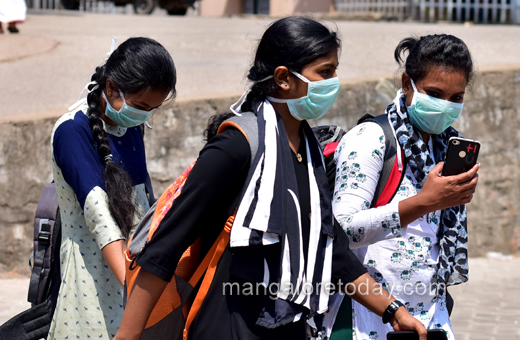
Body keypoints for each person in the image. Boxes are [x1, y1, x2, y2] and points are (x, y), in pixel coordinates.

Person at [114, 17, 426, 340]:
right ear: (283, 78)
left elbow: (332, 252)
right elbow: (164, 245)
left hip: (289, 328)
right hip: (228, 328)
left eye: (335, 70)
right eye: (325, 72)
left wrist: (394, 311)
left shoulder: (310, 152)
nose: (334, 82)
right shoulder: (237, 147)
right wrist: (127, 336)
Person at [328, 34, 479, 340]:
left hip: (430, 317)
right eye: (434, 93)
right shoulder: (370, 139)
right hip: (368, 317)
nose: (444, 106)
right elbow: (340, 232)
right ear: (407, 83)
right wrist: (425, 202)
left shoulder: (445, 146)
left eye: (456, 98)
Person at [48, 37, 176, 340]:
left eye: (152, 108)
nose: (144, 115)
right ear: (110, 87)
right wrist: (135, 290)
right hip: (92, 276)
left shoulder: (131, 126)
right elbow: (100, 217)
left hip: (133, 269)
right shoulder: (72, 130)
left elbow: (143, 200)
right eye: (141, 106)